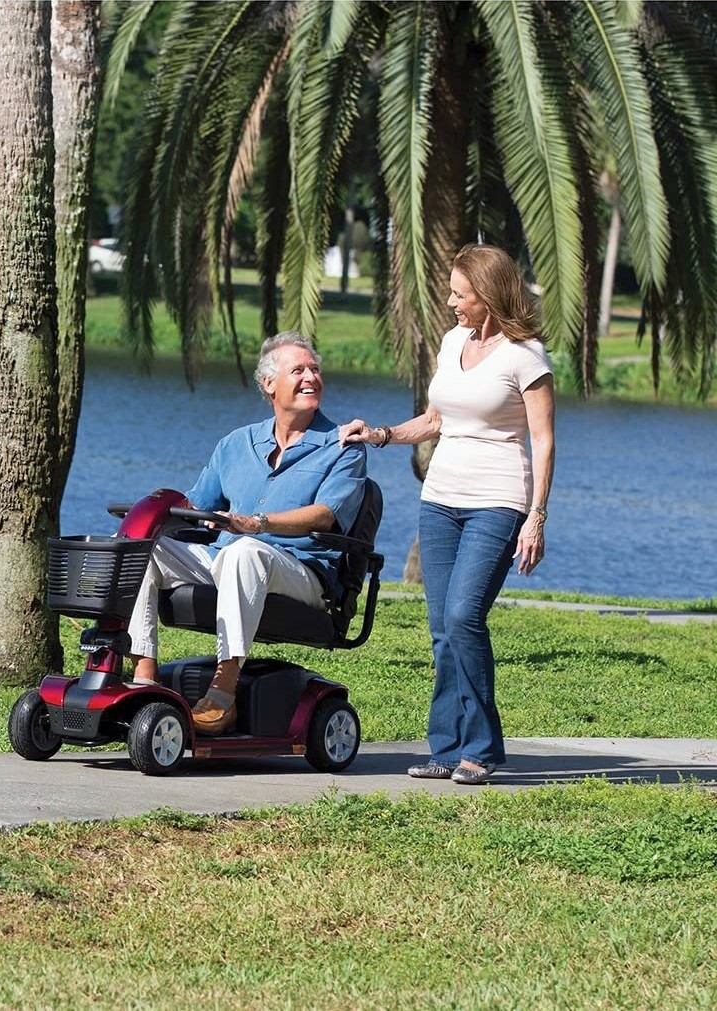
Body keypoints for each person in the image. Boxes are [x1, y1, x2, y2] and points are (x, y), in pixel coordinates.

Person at [340, 243, 555, 785]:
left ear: (487, 293)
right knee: (441, 627)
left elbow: (544, 441)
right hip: (439, 500)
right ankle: (447, 747)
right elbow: (436, 418)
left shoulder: (525, 355)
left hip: (498, 502)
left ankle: (480, 749)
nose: (452, 302)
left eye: (460, 293)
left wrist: (536, 517)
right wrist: (384, 435)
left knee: (464, 616)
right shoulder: (453, 340)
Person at [129, 331, 367, 736]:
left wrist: (257, 524)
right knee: (146, 546)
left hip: (302, 572)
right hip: (226, 559)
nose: (311, 377)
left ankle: (223, 691)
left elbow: (326, 516)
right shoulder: (236, 444)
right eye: (299, 370)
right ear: (269, 385)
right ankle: (144, 677)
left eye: (314, 369)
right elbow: (194, 506)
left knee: (246, 551)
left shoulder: (343, 444)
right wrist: (168, 514)